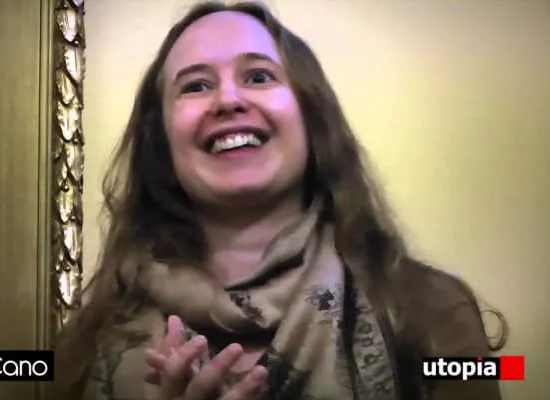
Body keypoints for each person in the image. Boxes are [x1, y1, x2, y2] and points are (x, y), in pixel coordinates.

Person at [54, 2, 508, 399]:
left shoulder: (434, 311)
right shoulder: (86, 344)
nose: (228, 100)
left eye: (258, 76)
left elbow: (512, 369)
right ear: (162, 141)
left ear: (310, 117)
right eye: (195, 86)